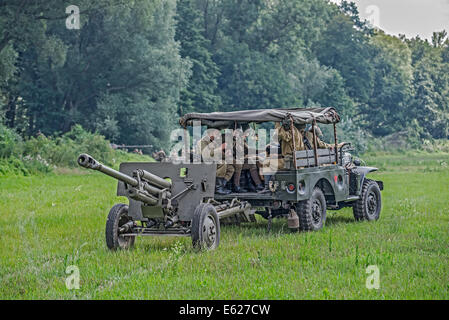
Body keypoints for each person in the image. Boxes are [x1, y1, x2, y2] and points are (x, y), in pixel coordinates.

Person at [198, 131, 234, 195]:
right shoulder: (202, 142)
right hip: (205, 161)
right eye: (216, 133)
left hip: (214, 161)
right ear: (211, 133)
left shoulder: (214, 141)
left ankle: (222, 186)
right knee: (223, 163)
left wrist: (226, 155)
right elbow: (206, 154)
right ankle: (218, 188)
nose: (218, 134)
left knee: (231, 168)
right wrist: (220, 148)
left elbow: (218, 154)